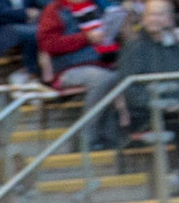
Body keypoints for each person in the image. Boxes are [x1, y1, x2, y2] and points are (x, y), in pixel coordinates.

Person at [115, 0, 179, 189]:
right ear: (143, 19)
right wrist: (162, 105)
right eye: (150, 14)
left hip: (178, 109)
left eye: (159, 14)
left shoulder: (175, 47)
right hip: (145, 114)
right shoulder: (133, 48)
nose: (154, 19)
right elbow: (130, 91)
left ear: (169, 19)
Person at [38, 0, 122, 143]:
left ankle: (112, 135)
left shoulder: (97, 6)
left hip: (105, 63)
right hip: (70, 68)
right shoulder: (55, 10)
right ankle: (85, 137)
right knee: (104, 79)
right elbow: (49, 43)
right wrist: (85, 38)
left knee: (122, 75)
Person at [0, 0, 42, 82]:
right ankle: (30, 72)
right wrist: (25, 13)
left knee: (48, 30)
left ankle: (47, 73)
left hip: (22, 25)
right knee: (33, 32)